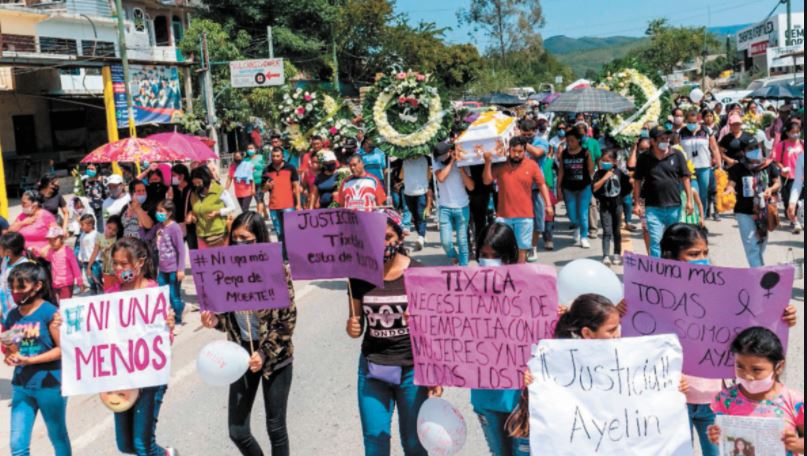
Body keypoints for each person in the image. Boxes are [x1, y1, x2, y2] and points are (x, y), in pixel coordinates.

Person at [659, 223, 798, 456]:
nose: (701, 259)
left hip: (714, 399)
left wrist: (781, 317)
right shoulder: (653, 296)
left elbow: (751, 326)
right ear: (670, 257)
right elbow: (637, 344)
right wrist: (624, 311)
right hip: (673, 399)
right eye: (693, 254)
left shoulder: (721, 290)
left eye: (705, 253)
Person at [200, 211, 297, 456]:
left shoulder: (277, 271)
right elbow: (228, 320)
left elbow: (287, 321)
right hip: (240, 355)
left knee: (276, 428)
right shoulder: (226, 271)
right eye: (235, 239)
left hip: (275, 358)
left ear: (259, 239)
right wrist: (215, 321)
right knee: (237, 430)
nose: (239, 244)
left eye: (246, 238)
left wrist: (264, 353)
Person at [346, 209, 441, 456]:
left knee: (414, 443)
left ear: (400, 237)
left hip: (412, 372)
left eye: (388, 237)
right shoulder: (358, 275)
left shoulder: (418, 273)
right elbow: (356, 326)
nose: (383, 244)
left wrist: (435, 373)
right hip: (372, 369)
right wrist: (352, 326)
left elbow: (434, 330)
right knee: (374, 440)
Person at [505, 293, 623, 454]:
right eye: (612, 330)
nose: (618, 334)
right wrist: (527, 378)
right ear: (587, 333)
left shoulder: (619, 351)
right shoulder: (554, 353)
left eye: (618, 327)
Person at [103, 237, 177, 455]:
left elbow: (165, 340)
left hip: (150, 377)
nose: (118, 268)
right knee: (125, 445)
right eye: (115, 263)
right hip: (122, 378)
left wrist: (168, 325)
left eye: (123, 264)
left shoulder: (154, 293)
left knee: (142, 445)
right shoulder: (110, 294)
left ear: (140, 262)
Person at [471, 222, 530, 456]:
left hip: (522, 398)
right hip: (485, 395)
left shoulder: (532, 288)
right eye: (484, 255)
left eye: (496, 256)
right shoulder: (464, 290)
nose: (489, 261)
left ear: (510, 256)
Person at [2, 262, 70, 456]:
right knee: (17, 446)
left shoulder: (50, 312)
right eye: (12, 288)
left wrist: (30, 361)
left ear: (38, 286)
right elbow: (13, 350)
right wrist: (10, 355)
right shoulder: (13, 316)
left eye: (21, 287)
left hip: (51, 386)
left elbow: (62, 350)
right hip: (22, 386)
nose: (15, 292)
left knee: (57, 436)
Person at [708, 327, 804, 456]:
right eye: (740, 366)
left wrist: (798, 444)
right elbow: (725, 439)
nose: (747, 376)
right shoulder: (725, 399)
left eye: (756, 370)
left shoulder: (794, 401)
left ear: (779, 367)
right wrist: (715, 435)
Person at [483, 136, 553, 263]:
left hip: (525, 216)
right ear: (508, 150)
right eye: (513, 151)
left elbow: (542, 184)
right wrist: (487, 162)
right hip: (503, 216)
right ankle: (506, 274)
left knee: (522, 248)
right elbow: (487, 180)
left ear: (525, 151)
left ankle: (519, 274)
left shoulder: (532, 165)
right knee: (502, 248)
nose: (516, 154)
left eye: (520, 152)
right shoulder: (501, 165)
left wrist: (548, 205)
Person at [632, 126, 693, 257]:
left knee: (673, 241)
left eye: (667, 138)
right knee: (655, 241)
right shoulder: (644, 158)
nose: (666, 141)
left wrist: (689, 201)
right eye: (662, 138)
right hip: (653, 208)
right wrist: (636, 203)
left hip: (674, 206)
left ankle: (672, 269)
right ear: (652, 141)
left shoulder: (677, 155)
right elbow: (637, 180)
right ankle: (657, 272)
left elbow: (686, 178)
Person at [725, 138, 781, 268]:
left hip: (764, 211)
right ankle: (759, 275)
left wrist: (770, 189)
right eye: (750, 149)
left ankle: (758, 268)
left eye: (756, 147)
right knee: (751, 245)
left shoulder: (769, 165)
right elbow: (731, 184)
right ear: (744, 152)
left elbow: (777, 182)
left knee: (761, 243)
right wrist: (729, 190)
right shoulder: (739, 167)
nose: (754, 151)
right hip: (744, 211)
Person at [433, 142, 474, 266]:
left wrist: (461, 168)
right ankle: (454, 256)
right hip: (445, 207)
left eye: (443, 156)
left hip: (462, 206)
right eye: (439, 157)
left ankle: (464, 267)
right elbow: (441, 178)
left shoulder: (463, 163)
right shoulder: (436, 164)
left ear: (450, 152)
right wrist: (451, 162)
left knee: (462, 241)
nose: (441, 159)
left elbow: (471, 187)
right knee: (445, 242)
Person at [680, 109, 722, 221]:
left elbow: (714, 148)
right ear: (686, 121)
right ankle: (692, 217)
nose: (691, 124)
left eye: (694, 122)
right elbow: (677, 150)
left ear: (698, 121)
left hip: (704, 167)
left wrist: (719, 165)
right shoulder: (681, 132)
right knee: (693, 192)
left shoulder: (706, 130)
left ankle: (701, 218)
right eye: (689, 122)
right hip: (688, 169)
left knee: (703, 194)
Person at [592, 149, 631, 265]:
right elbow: (594, 188)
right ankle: (606, 255)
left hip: (617, 205)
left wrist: (621, 199)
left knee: (616, 230)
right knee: (606, 231)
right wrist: (605, 178)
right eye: (603, 160)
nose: (604, 163)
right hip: (605, 206)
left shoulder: (619, 173)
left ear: (614, 162)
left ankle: (617, 253)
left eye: (607, 161)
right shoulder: (598, 174)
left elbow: (627, 187)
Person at [557, 128, 595, 249]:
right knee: (572, 215)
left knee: (583, 213)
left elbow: (591, 170)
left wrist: (590, 157)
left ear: (578, 140)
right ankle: (577, 226)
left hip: (584, 187)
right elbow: (561, 171)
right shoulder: (564, 153)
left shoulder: (585, 152)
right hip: (568, 188)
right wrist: (558, 188)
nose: (570, 143)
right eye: (568, 141)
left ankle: (584, 237)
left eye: (572, 141)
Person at [187, 166, 238, 249]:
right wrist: (193, 216)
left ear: (206, 179)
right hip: (201, 234)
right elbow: (195, 210)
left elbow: (232, 207)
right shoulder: (194, 193)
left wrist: (218, 212)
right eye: (195, 184)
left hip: (218, 234)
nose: (197, 186)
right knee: (206, 260)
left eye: (199, 183)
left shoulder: (219, 190)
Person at [154, 200, 186, 326]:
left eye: (161, 211)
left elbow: (181, 249)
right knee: (163, 294)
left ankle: (178, 320)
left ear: (169, 213)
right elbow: (146, 236)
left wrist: (181, 269)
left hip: (173, 268)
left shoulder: (175, 227)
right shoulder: (159, 226)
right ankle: (181, 308)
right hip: (162, 269)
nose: (158, 213)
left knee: (174, 295)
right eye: (157, 211)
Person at [262, 147, 302, 245]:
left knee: (291, 232)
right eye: (273, 156)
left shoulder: (291, 168)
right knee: (279, 233)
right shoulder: (266, 170)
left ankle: (293, 254)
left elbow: (296, 187)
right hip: (274, 206)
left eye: (278, 156)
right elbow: (263, 190)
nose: (275, 158)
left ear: (283, 156)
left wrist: (298, 204)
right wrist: (267, 186)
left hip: (289, 205)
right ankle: (283, 256)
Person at [773, 121, 804, 234]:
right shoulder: (782, 145)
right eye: (793, 132)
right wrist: (782, 168)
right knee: (789, 202)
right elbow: (776, 161)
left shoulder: (802, 144)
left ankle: (797, 220)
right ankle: (794, 220)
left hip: (801, 178)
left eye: (797, 132)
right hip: (788, 177)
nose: (795, 134)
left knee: (800, 201)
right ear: (787, 133)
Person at [38, 226, 83, 300]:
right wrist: (49, 245)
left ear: (62, 238)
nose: (52, 242)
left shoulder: (67, 251)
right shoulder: (51, 251)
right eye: (50, 240)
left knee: (65, 304)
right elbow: (43, 254)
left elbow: (75, 267)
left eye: (55, 239)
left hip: (66, 283)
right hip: (55, 283)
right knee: (58, 304)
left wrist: (80, 281)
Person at [402, 154, 430, 251]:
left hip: (421, 192)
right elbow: (400, 174)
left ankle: (421, 237)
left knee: (420, 214)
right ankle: (421, 233)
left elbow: (427, 173)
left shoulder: (424, 159)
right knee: (414, 215)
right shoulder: (404, 159)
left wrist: (428, 192)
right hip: (408, 192)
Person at [89, 215, 123, 292]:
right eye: (109, 227)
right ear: (106, 225)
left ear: (118, 231)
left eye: (114, 230)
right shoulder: (99, 237)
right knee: (108, 291)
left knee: (119, 291)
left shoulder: (118, 239)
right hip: (106, 271)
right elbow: (95, 252)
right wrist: (89, 267)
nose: (110, 231)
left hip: (117, 271)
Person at [0, 232, 30, 318]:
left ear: (8, 251)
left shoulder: (23, 266)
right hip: (4, 307)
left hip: (16, 310)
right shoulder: (6, 260)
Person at [169, 164, 196, 249]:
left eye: (174, 175)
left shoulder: (192, 188)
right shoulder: (172, 189)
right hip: (177, 224)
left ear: (182, 176)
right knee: (176, 252)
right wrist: (169, 199)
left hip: (190, 225)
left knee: (193, 250)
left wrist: (191, 213)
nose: (172, 178)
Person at [76, 214, 102, 295]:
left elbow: (96, 250)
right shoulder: (82, 235)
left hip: (95, 262)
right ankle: (93, 293)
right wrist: (80, 256)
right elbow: (81, 246)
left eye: (82, 225)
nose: (81, 227)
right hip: (85, 261)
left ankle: (101, 294)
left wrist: (90, 265)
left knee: (97, 279)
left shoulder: (96, 234)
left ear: (90, 225)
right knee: (90, 280)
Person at [83, 164, 106, 232]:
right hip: (89, 208)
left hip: (101, 207)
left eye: (92, 169)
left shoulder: (102, 179)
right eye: (88, 168)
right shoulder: (84, 181)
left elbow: (106, 194)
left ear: (97, 169)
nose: (90, 170)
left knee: (101, 226)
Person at [246, 143, 267, 217]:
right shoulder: (246, 160)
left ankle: (259, 216)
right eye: (248, 148)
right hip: (252, 183)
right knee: (259, 199)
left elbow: (266, 168)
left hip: (261, 181)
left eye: (251, 148)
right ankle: (265, 214)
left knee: (259, 198)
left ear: (255, 149)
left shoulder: (261, 157)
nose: (250, 150)